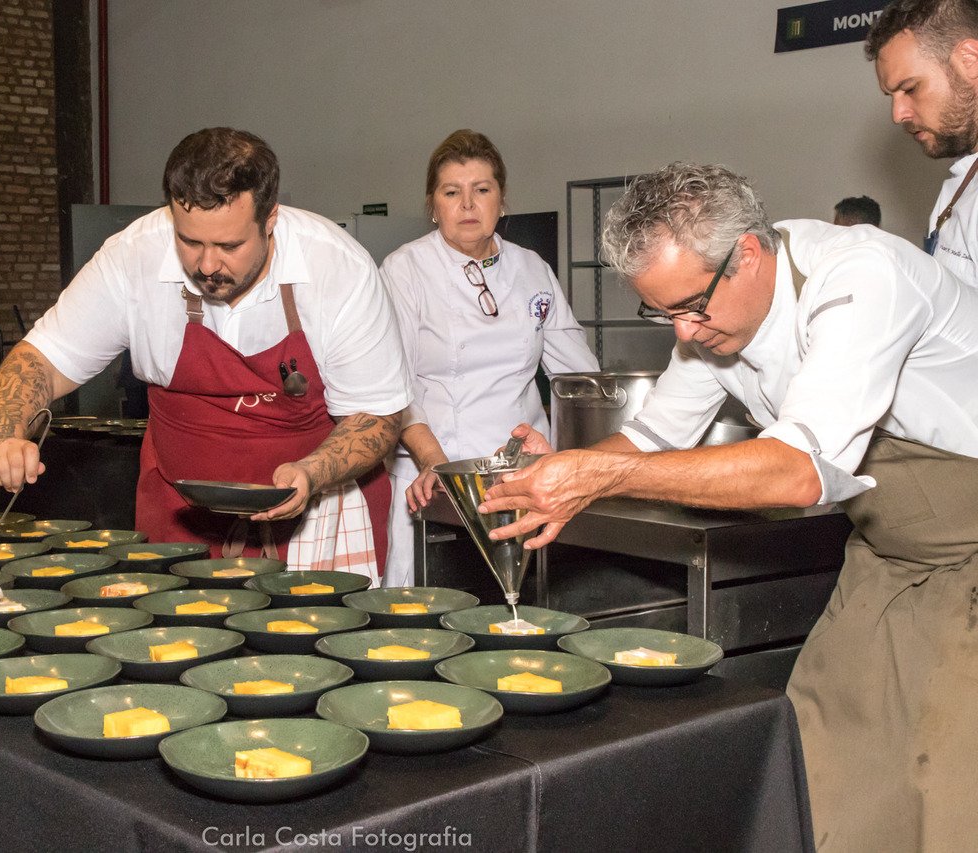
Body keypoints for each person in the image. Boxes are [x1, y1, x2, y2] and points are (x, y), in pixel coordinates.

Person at [478, 162, 978, 853]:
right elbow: (653, 437)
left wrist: (600, 474)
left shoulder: (861, 277)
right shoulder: (714, 319)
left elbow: (797, 473)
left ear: (747, 254)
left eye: (691, 306)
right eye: (663, 313)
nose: (683, 333)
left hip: (969, 552)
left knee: (943, 782)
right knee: (818, 751)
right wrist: (564, 470)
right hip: (890, 554)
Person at [0, 128, 410, 579]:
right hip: (179, 512)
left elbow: (376, 416)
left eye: (229, 246)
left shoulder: (337, 268)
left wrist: (313, 472)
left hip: (315, 511)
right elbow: (41, 360)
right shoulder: (133, 257)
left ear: (270, 219)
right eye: (190, 241)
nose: (206, 265)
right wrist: (4, 434)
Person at [379, 129, 597, 587]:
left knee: (521, 602)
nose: (467, 204)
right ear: (432, 205)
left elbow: (578, 378)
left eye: (481, 190)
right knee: (429, 605)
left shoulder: (532, 268)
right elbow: (395, 386)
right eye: (451, 192)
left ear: (502, 200)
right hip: (434, 474)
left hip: (521, 475)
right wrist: (435, 464)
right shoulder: (406, 269)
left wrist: (586, 459)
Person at [868, 0, 978, 283]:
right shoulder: (963, 181)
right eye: (891, 96)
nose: (897, 115)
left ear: (970, 60)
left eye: (910, 88)